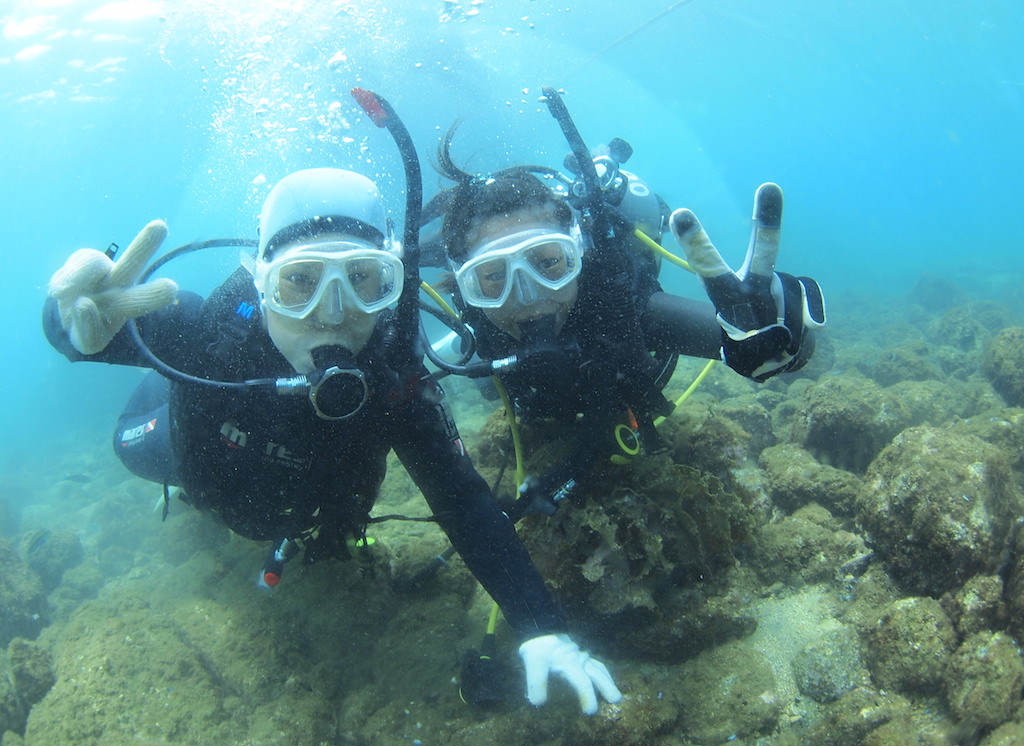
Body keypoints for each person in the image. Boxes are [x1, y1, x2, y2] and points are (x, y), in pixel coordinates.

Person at [43, 167, 623, 715]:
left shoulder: (394, 380)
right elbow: (85, 330)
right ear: (261, 282)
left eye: (365, 280)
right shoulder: (208, 331)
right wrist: (67, 312)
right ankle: (164, 388)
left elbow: (464, 503)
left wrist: (540, 625)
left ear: (390, 285)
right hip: (190, 455)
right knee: (131, 446)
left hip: (305, 506)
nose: (335, 313)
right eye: (300, 281)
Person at [428, 121, 826, 519]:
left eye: (548, 263)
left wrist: (775, 341)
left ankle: (605, 159)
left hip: (618, 398)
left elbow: (752, 340)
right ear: (466, 287)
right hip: (529, 395)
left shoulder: (623, 306)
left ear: (578, 254)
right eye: (494, 277)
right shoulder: (476, 334)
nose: (529, 297)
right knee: (483, 385)